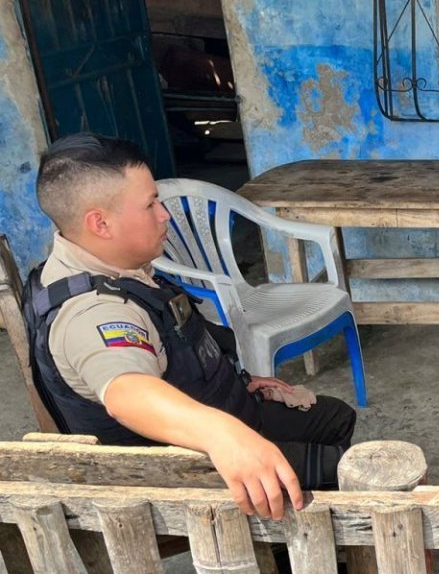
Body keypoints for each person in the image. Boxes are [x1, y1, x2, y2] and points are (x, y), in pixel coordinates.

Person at [25, 134, 357, 520]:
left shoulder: (108, 266)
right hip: (184, 470)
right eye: (150, 204)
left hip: (220, 407)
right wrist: (223, 436)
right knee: (346, 469)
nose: (163, 214)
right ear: (100, 223)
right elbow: (127, 391)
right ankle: (292, 546)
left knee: (336, 417)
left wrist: (231, 379)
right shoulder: (92, 314)